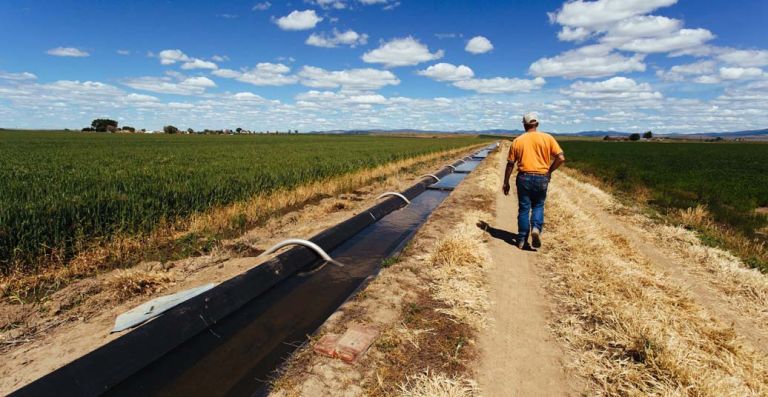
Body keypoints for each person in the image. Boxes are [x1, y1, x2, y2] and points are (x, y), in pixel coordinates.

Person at [502, 112, 565, 249]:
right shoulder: (548, 138)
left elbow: (510, 164)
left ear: (524, 125)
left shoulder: (518, 141)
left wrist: (506, 182)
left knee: (524, 208)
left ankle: (521, 239)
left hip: (524, 177)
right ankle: (536, 228)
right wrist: (549, 171)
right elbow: (560, 158)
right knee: (538, 205)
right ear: (537, 124)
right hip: (542, 177)